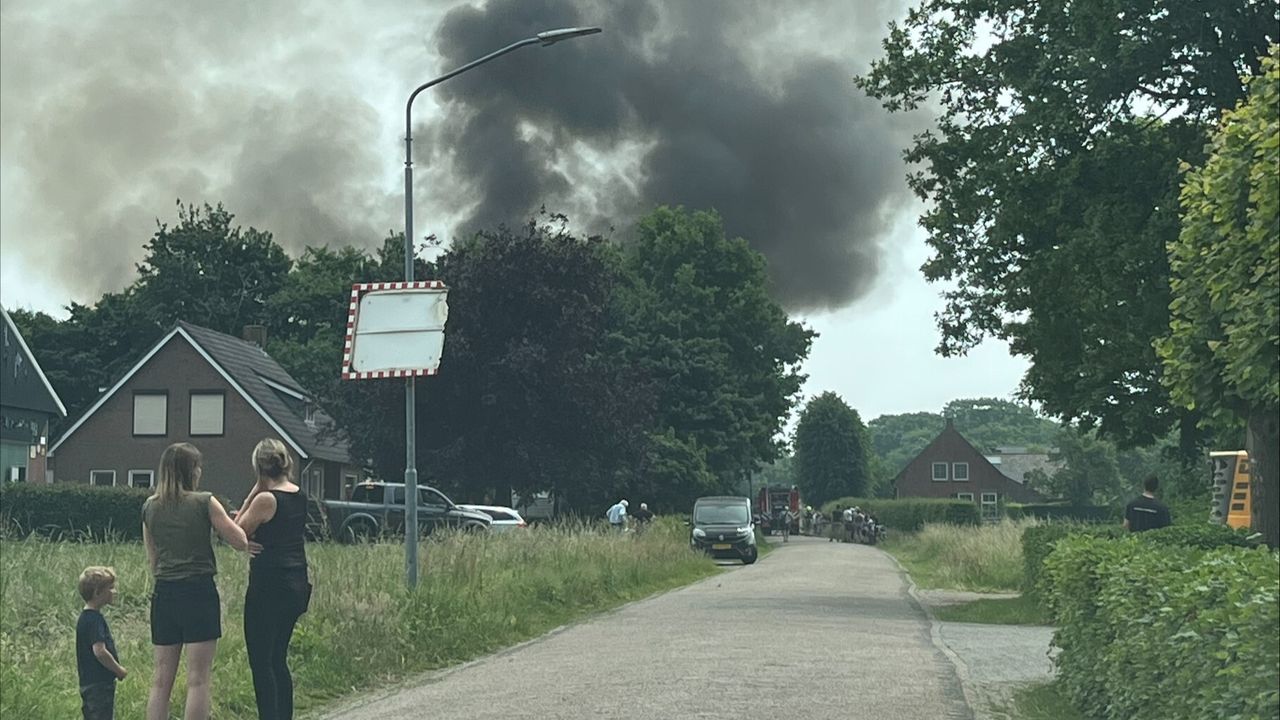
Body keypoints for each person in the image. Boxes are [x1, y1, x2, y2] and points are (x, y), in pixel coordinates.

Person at [143, 442, 257, 720]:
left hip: (165, 592)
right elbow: (239, 541)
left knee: (160, 681)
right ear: (191, 471)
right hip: (197, 591)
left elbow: (153, 558)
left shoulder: (149, 507)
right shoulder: (204, 501)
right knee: (198, 679)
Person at [236, 439, 313, 720]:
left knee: (261, 660)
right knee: (278, 658)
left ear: (258, 467)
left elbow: (237, 532)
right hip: (296, 583)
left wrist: (252, 494)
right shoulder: (299, 495)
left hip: (269, 585)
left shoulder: (266, 499)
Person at [76, 566, 127, 720]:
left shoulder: (84, 618)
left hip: (89, 683)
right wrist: (118, 670)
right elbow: (100, 652)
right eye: (110, 588)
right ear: (97, 592)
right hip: (99, 685)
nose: (114, 591)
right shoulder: (95, 620)